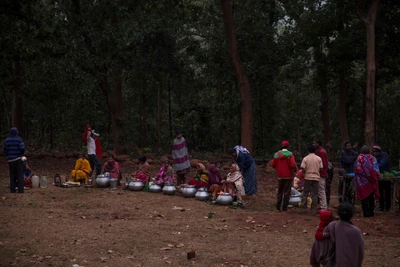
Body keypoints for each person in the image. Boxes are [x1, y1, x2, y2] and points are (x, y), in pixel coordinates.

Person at [321, 202, 365, 267]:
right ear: (352, 214)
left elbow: (324, 239)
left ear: (338, 213)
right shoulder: (356, 231)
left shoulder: (332, 226)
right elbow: (361, 251)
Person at [271, 140, 297, 211]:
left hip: (280, 175)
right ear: (288, 146)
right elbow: (293, 164)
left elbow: (273, 164)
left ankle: (278, 207)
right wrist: (294, 170)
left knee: (280, 191)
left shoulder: (276, 154)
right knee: (286, 192)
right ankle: (284, 207)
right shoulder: (290, 154)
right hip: (288, 175)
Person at [355, 145, 380, 217]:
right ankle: (371, 212)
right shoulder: (372, 158)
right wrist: (372, 176)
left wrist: (364, 176)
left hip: (362, 182)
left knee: (364, 197)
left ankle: (366, 213)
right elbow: (376, 170)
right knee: (370, 197)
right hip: (371, 181)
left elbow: (358, 169)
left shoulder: (359, 158)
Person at [299, 145, 323, 216]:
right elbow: (321, 168)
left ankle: (303, 209)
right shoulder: (318, 158)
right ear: (315, 151)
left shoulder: (305, 158)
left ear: (308, 151)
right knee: (315, 194)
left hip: (308, 177)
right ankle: (313, 210)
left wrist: (304, 173)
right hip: (316, 178)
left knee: (305, 193)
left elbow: (302, 168)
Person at [3, 127, 25, 193]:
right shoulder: (19, 139)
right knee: (20, 175)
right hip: (18, 159)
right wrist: (21, 154)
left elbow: (4, 150)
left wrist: (8, 155)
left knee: (12, 175)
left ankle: (12, 190)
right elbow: (22, 148)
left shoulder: (6, 140)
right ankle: (20, 190)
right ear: (17, 132)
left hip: (10, 160)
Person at [372, 145, 391, 211]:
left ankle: (388, 207)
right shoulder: (374, 157)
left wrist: (374, 168)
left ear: (379, 151)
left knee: (387, 192)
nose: (375, 153)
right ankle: (382, 206)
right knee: (380, 192)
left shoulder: (384, 155)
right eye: (374, 152)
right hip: (379, 177)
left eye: (376, 152)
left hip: (386, 176)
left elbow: (382, 164)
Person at [313, 140, 328, 210]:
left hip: (321, 174)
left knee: (321, 190)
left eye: (314, 143)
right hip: (319, 174)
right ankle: (322, 206)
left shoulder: (321, 152)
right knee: (320, 190)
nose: (313, 144)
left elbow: (324, 164)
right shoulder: (319, 152)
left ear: (318, 144)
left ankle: (324, 207)